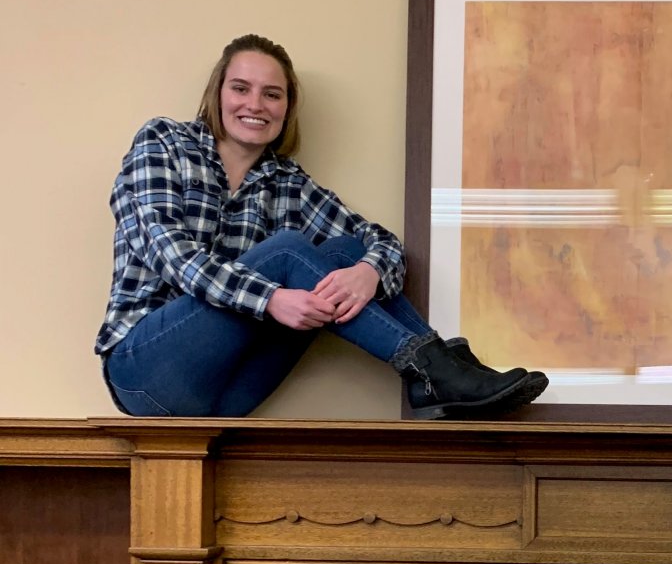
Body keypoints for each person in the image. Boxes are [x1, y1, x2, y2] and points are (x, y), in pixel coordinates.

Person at [95, 33, 547, 420]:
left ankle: (434, 367)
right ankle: (431, 369)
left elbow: (381, 242)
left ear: (287, 107)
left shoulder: (288, 184)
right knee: (287, 252)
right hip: (147, 373)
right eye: (241, 88)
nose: (256, 104)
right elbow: (169, 252)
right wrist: (270, 299)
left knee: (346, 253)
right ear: (218, 94)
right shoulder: (163, 143)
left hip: (227, 395)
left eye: (272, 94)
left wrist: (369, 272)